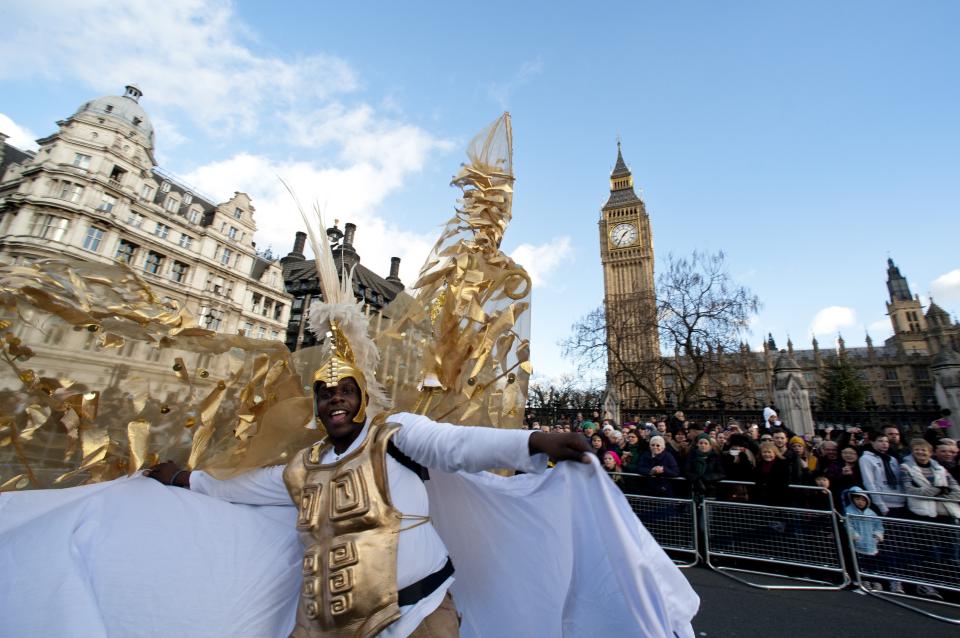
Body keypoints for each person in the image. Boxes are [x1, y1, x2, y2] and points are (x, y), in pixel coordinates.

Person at [843, 487, 887, 592]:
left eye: (863, 500)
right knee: (859, 564)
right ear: (852, 499)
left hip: (871, 543)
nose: (860, 502)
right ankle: (863, 581)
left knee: (873, 564)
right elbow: (848, 525)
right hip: (857, 543)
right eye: (857, 499)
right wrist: (854, 535)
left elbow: (878, 525)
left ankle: (875, 581)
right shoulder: (848, 511)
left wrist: (878, 535)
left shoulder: (871, 512)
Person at [858, 434, 906, 517]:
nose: (884, 444)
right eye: (880, 441)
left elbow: (899, 479)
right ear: (872, 442)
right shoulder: (866, 458)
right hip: (885, 502)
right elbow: (869, 483)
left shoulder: (892, 459)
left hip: (900, 500)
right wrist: (880, 505)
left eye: (886, 441)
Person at [683, 434, 725, 498]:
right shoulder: (691, 456)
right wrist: (697, 479)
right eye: (701, 443)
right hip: (694, 489)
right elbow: (686, 471)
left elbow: (722, 473)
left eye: (706, 443)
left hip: (711, 490)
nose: (703, 445)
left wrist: (706, 478)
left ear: (710, 445)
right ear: (697, 444)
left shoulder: (715, 457)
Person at [753, 442, 791, 506]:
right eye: (764, 452)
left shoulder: (782, 464)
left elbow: (785, 480)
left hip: (779, 497)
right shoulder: (759, 464)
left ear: (775, 453)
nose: (767, 454)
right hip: (763, 497)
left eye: (769, 452)